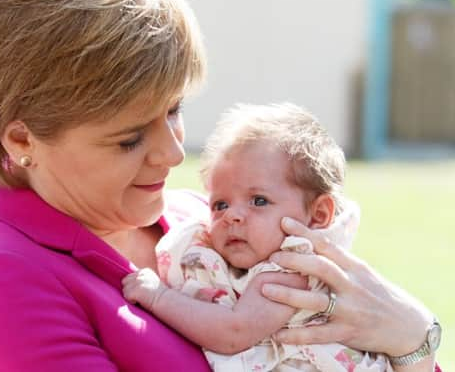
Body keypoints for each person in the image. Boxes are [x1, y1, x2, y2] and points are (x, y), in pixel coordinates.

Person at [0, 0, 441, 371]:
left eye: (174, 110)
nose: (175, 152)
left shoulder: (202, 218)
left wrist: (412, 338)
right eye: (129, 138)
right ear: (22, 141)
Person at [122, 103, 391, 371]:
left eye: (259, 201)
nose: (232, 216)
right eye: (220, 205)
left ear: (318, 214)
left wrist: (159, 297)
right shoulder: (236, 254)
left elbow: (234, 333)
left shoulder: (294, 268)